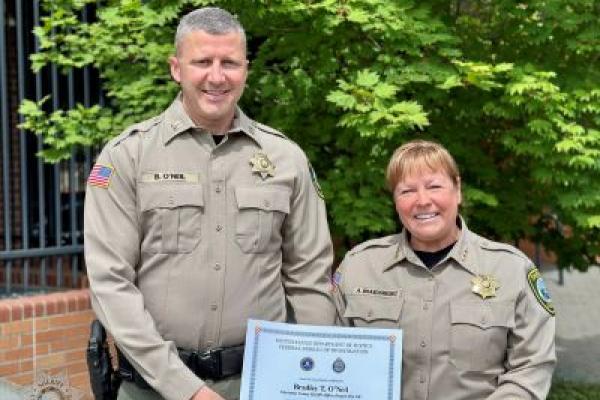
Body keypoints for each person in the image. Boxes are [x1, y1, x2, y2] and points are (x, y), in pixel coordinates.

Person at [84, 7, 335, 400]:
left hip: (261, 384)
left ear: (246, 69)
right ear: (176, 68)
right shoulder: (127, 157)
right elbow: (110, 285)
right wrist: (186, 389)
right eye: (202, 61)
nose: (216, 76)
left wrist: (314, 377)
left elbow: (309, 280)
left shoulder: (287, 159)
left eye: (229, 63)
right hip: (154, 387)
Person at [333, 140, 556, 399]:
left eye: (434, 186)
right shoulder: (359, 266)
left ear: (458, 190)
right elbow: (328, 356)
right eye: (407, 191)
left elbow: (531, 367)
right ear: (395, 200)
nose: (422, 201)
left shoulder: (511, 270)